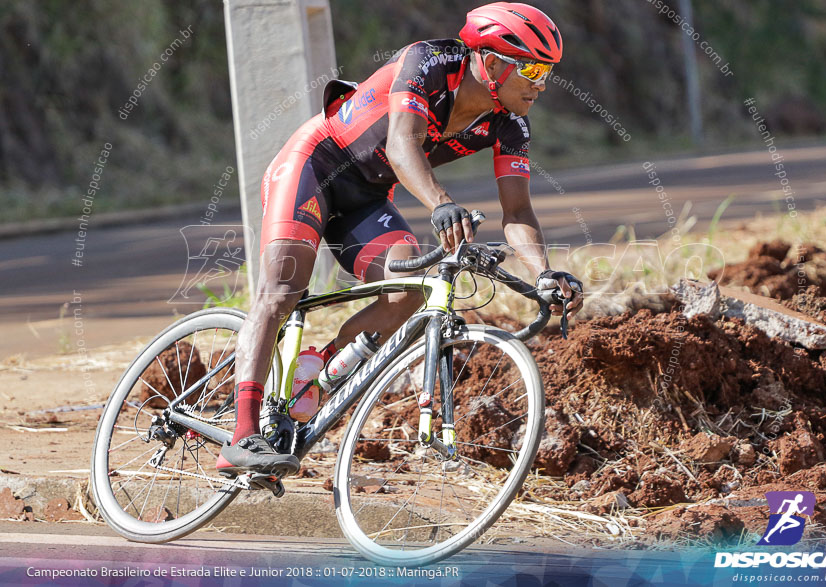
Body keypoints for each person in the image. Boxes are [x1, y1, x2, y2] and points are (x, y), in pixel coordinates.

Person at [217, 2, 584, 477]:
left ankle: (319, 371)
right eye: (532, 69)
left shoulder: (510, 123)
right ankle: (241, 435)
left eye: (547, 72)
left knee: (407, 289)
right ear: (491, 62)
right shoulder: (429, 62)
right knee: (282, 290)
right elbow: (400, 144)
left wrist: (544, 273)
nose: (540, 83)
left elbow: (517, 212)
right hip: (316, 165)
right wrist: (441, 202)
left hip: (366, 198)